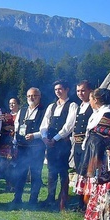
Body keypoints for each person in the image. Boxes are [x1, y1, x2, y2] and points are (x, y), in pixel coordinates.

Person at [74, 88, 110, 220]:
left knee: (102, 185)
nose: (89, 101)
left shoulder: (107, 113)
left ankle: (103, 216)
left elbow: (106, 137)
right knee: (96, 186)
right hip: (94, 154)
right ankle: (96, 215)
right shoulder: (98, 113)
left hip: (101, 157)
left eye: (91, 98)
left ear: (96, 100)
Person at [39, 80, 78, 210]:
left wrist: (55, 139)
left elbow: (69, 126)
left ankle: (63, 199)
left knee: (62, 171)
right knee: (51, 171)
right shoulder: (51, 106)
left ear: (67, 89)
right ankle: (50, 198)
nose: (58, 91)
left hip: (62, 143)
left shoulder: (72, 105)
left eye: (60, 89)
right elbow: (44, 124)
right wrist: (44, 138)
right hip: (50, 143)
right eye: (56, 89)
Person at [11, 88, 47, 208]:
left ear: (39, 96)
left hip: (36, 148)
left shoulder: (44, 111)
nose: (31, 98)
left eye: (34, 96)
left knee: (35, 174)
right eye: (29, 96)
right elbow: (17, 125)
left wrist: (34, 135)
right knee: (20, 173)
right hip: (22, 148)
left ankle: (33, 199)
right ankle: (17, 198)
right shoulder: (23, 110)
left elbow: (45, 129)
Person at [72, 81, 94, 211]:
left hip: (87, 145)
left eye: (83, 91)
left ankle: (87, 203)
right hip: (77, 144)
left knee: (87, 173)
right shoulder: (80, 106)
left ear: (90, 91)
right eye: (78, 91)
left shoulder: (93, 107)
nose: (80, 93)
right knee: (79, 172)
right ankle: (80, 202)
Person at [0, 97, 20, 191]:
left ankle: (15, 185)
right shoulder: (6, 116)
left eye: (13, 103)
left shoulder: (21, 114)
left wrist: (13, 128)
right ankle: (8, 185)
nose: (11, 105)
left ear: (18, 104)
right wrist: (5, 128)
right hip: (6, 142)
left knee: (15, 164)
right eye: (10, 103)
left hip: (17, 142)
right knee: (6, 164)